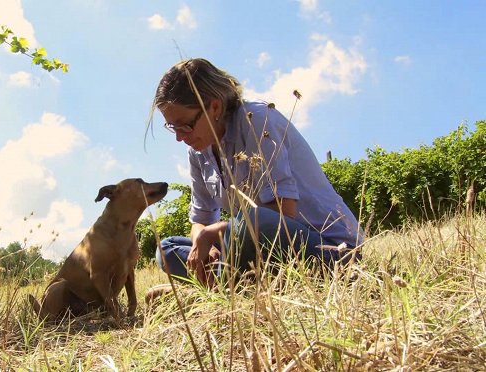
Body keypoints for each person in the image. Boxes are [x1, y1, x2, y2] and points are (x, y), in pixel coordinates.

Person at [150, 58, 362, 287]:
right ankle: (233, 283)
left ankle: (221, 288)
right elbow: (200, 222)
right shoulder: (198, 151)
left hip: (327, 247)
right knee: (167, 250)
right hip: (258, 247)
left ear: (214, 107)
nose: (180, 137)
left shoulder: (256, 120)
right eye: (172, 127)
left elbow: (283, 213)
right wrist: (205, 245)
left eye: (185, 125)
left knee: (253, 220)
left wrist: (212, 233)